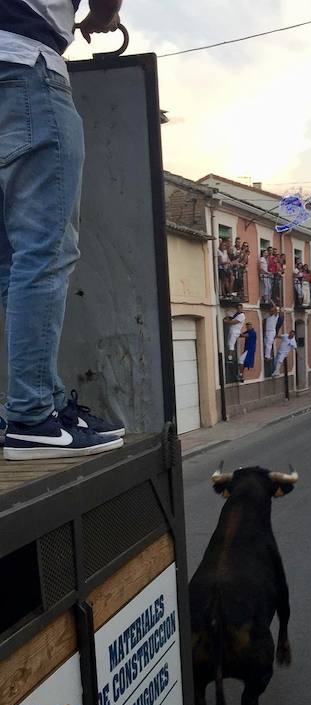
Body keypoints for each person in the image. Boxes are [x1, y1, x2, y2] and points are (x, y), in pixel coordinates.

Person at [1, 0, 126, 461]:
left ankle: (44, 403)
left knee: (10, 262)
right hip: (25, 67)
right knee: (43, 252)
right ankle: (31, 417)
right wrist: (103, 17)